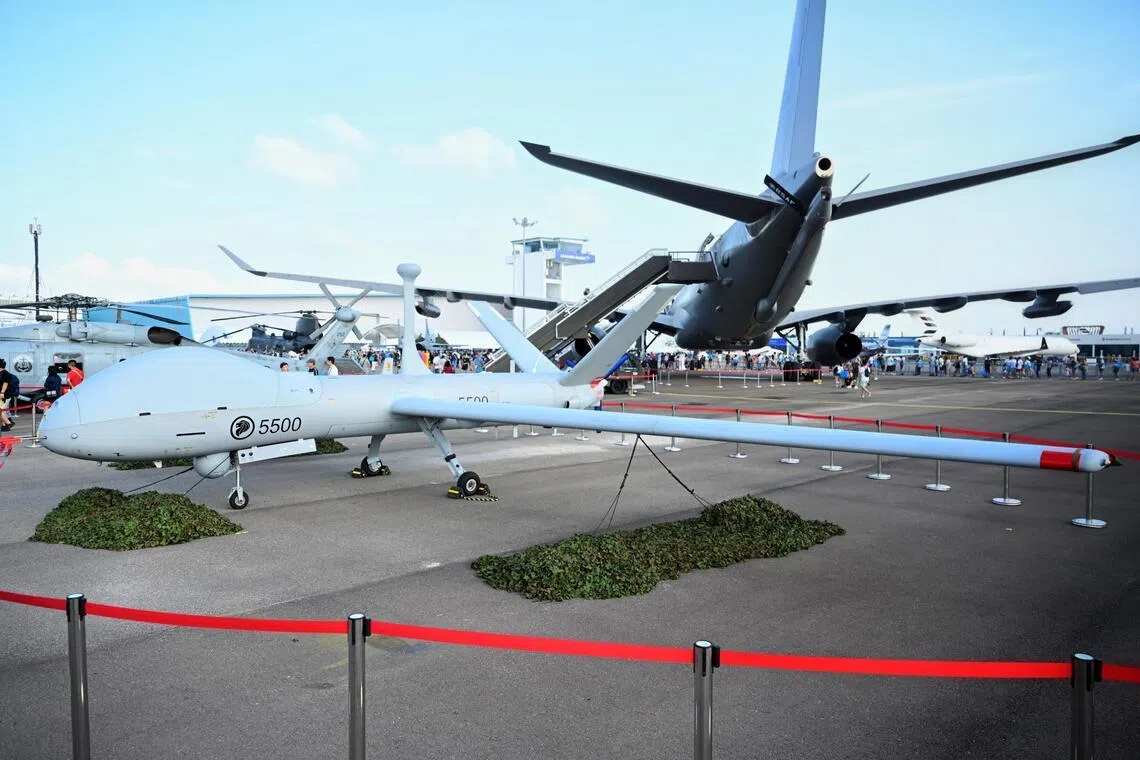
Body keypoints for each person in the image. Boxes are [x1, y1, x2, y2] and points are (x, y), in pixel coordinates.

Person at [0, 359, 15, 431]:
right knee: (3, 411)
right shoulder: (2, 373)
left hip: (4, 395)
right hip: (4, 395)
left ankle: (8, 423)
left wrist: (2, 393)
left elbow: (5, 384)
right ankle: (4, 425)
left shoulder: (5, 374)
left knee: (2, 410)